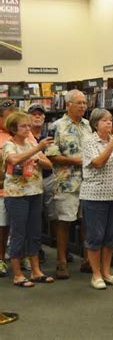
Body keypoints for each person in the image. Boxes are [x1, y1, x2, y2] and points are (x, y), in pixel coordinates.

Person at [3, 111, 54, 287]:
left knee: (34, 232)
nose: (27, 128)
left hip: (35, 192)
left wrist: (38, 159)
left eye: (28, 125)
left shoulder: (32, 143)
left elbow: (49, 164)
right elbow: (14, 160)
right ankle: (17, 274)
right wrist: (37, 150)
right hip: (17, 195)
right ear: (13, 129)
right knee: (18, 233)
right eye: (23, 126)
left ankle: (36, 271)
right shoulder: (9, 145)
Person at [45, 89, 92, 280]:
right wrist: (77, 161)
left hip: (89, 183)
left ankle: (88, 259)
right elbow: (51, 155)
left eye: (84, 103)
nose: (82, 106)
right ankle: (61, 262)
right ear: (68, 105)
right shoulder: (56, 126)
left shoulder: (89, 125)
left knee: (87, 222)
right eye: (78, 102)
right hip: (66, 182)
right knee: (64, 222)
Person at [80, 109, 113, 290]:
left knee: (111, 236)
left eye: (110, 120)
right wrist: (112, 144)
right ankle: (96, 274)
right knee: (95, 236)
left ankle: (106, 272)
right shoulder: (89, 141)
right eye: (104, 121)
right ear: (95, 124)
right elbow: (98, 163)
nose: (109, 123)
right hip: (95, 196)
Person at [28, 103, 56, 264]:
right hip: (31, 180)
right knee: (34, 217)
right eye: (34, 114)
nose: (37, 117)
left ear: (44, 117)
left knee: (52, 215)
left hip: (49, 178)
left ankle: (59, 248)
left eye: (40, 114)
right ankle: (36, 250)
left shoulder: (50, 136)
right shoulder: (24, 135)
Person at [0, 100, 17, 277]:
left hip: (22, 190)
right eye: (7, 117)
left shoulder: (23, 133)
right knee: (2, 227)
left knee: (21, 227)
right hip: (2, 190)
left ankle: (20, 257)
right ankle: (1, 260)